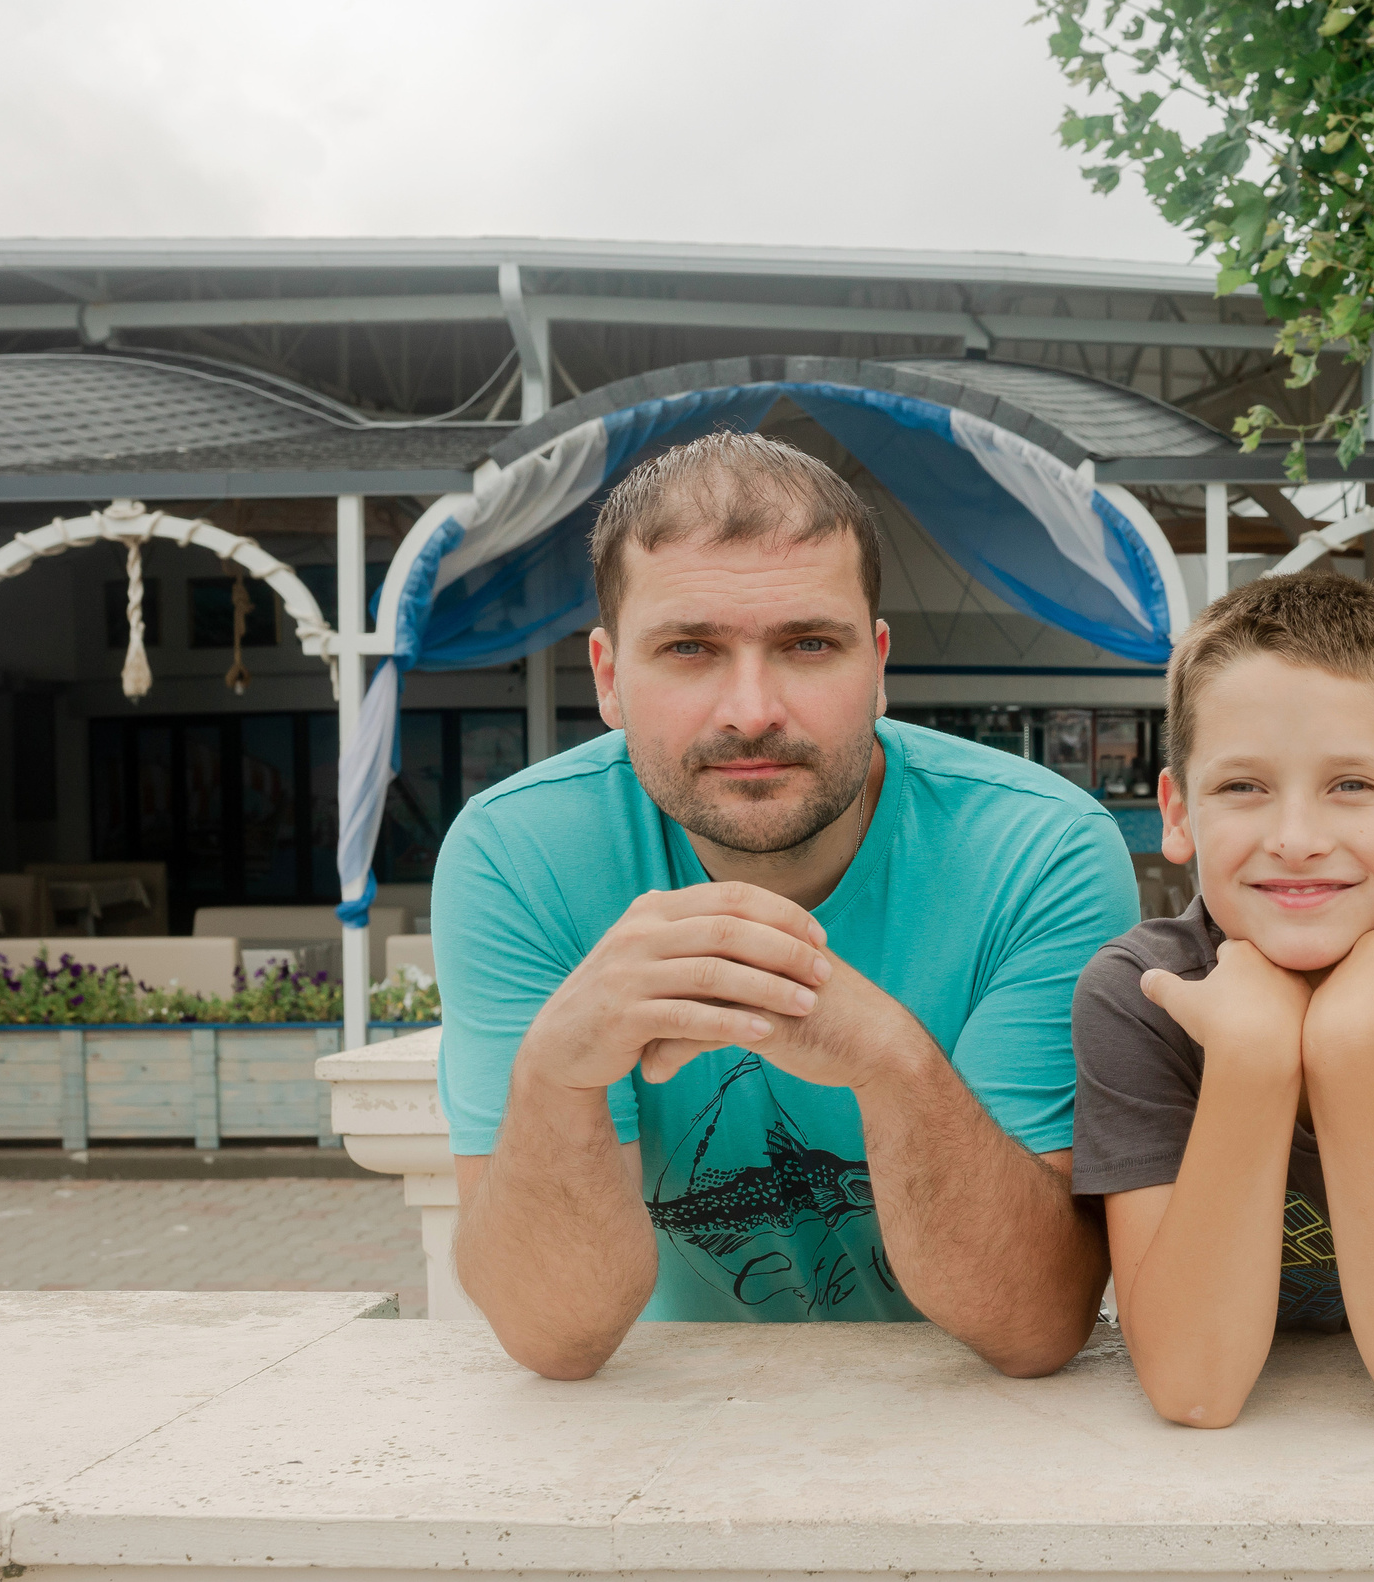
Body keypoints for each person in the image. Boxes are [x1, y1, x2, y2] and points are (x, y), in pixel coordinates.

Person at [433, 431, 1134, 1381]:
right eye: (690, 649)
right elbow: (554, 1336)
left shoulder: (1040, 850)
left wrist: (886, 1057)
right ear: (607, 675)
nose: (752, 709)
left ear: (879, 664)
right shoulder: (519, 855)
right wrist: (559, 1072)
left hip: (968, 1424)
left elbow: (1036, 1324)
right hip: (668, 1429)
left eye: (809, 644)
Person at [1069, 570, 1374, 1433]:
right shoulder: (1142, 995)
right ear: (1178, 811)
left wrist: (1344, 1056)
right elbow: (1194, 1387)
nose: (1296, 839)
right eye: (1241, 787)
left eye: (1352, 785)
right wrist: (1252, 1059)